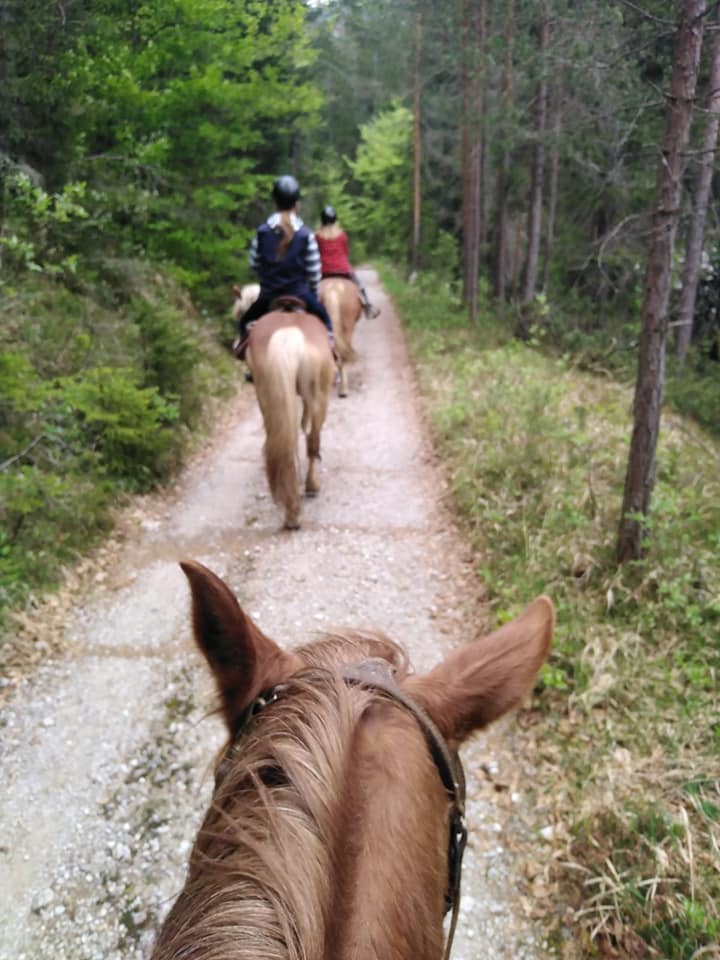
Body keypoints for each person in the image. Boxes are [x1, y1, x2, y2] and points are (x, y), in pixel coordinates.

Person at [235, 176, 334, 355]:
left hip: (268, 295)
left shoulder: (262, 232)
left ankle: (246, 358)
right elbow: (314, 272)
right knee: (326, 321)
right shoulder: (306, 234)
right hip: (300, 293)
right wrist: (312, 292)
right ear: (297, 203)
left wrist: (268, 278)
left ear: (275, 202)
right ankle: (332, 356)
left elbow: (254, 264)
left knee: (244, 322)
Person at [315, 206, 380, 318]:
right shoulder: (342, 235)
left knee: (306, 288)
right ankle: (367, 305)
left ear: (322, 221)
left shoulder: (317, 236)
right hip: (343, 270)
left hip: (323, 272)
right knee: (360, 284)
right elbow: (345, 254)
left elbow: (315, 255)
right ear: (335, 220)